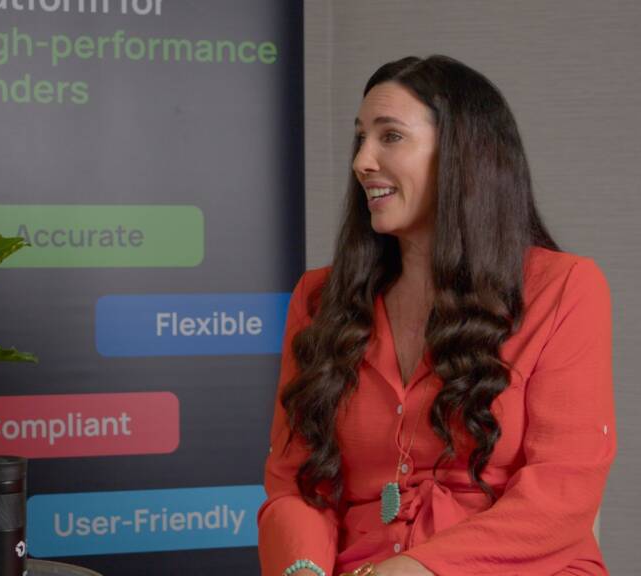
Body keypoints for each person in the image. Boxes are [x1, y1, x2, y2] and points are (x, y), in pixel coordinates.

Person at [257, 55, 616, 576]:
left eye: (391, 137)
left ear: (463, 157)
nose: (362, 161)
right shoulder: (318, 298)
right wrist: (303, 570)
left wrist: (412, 570)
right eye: (360, 138)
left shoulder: (564, 288)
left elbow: (562, 491)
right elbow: (295, 482)